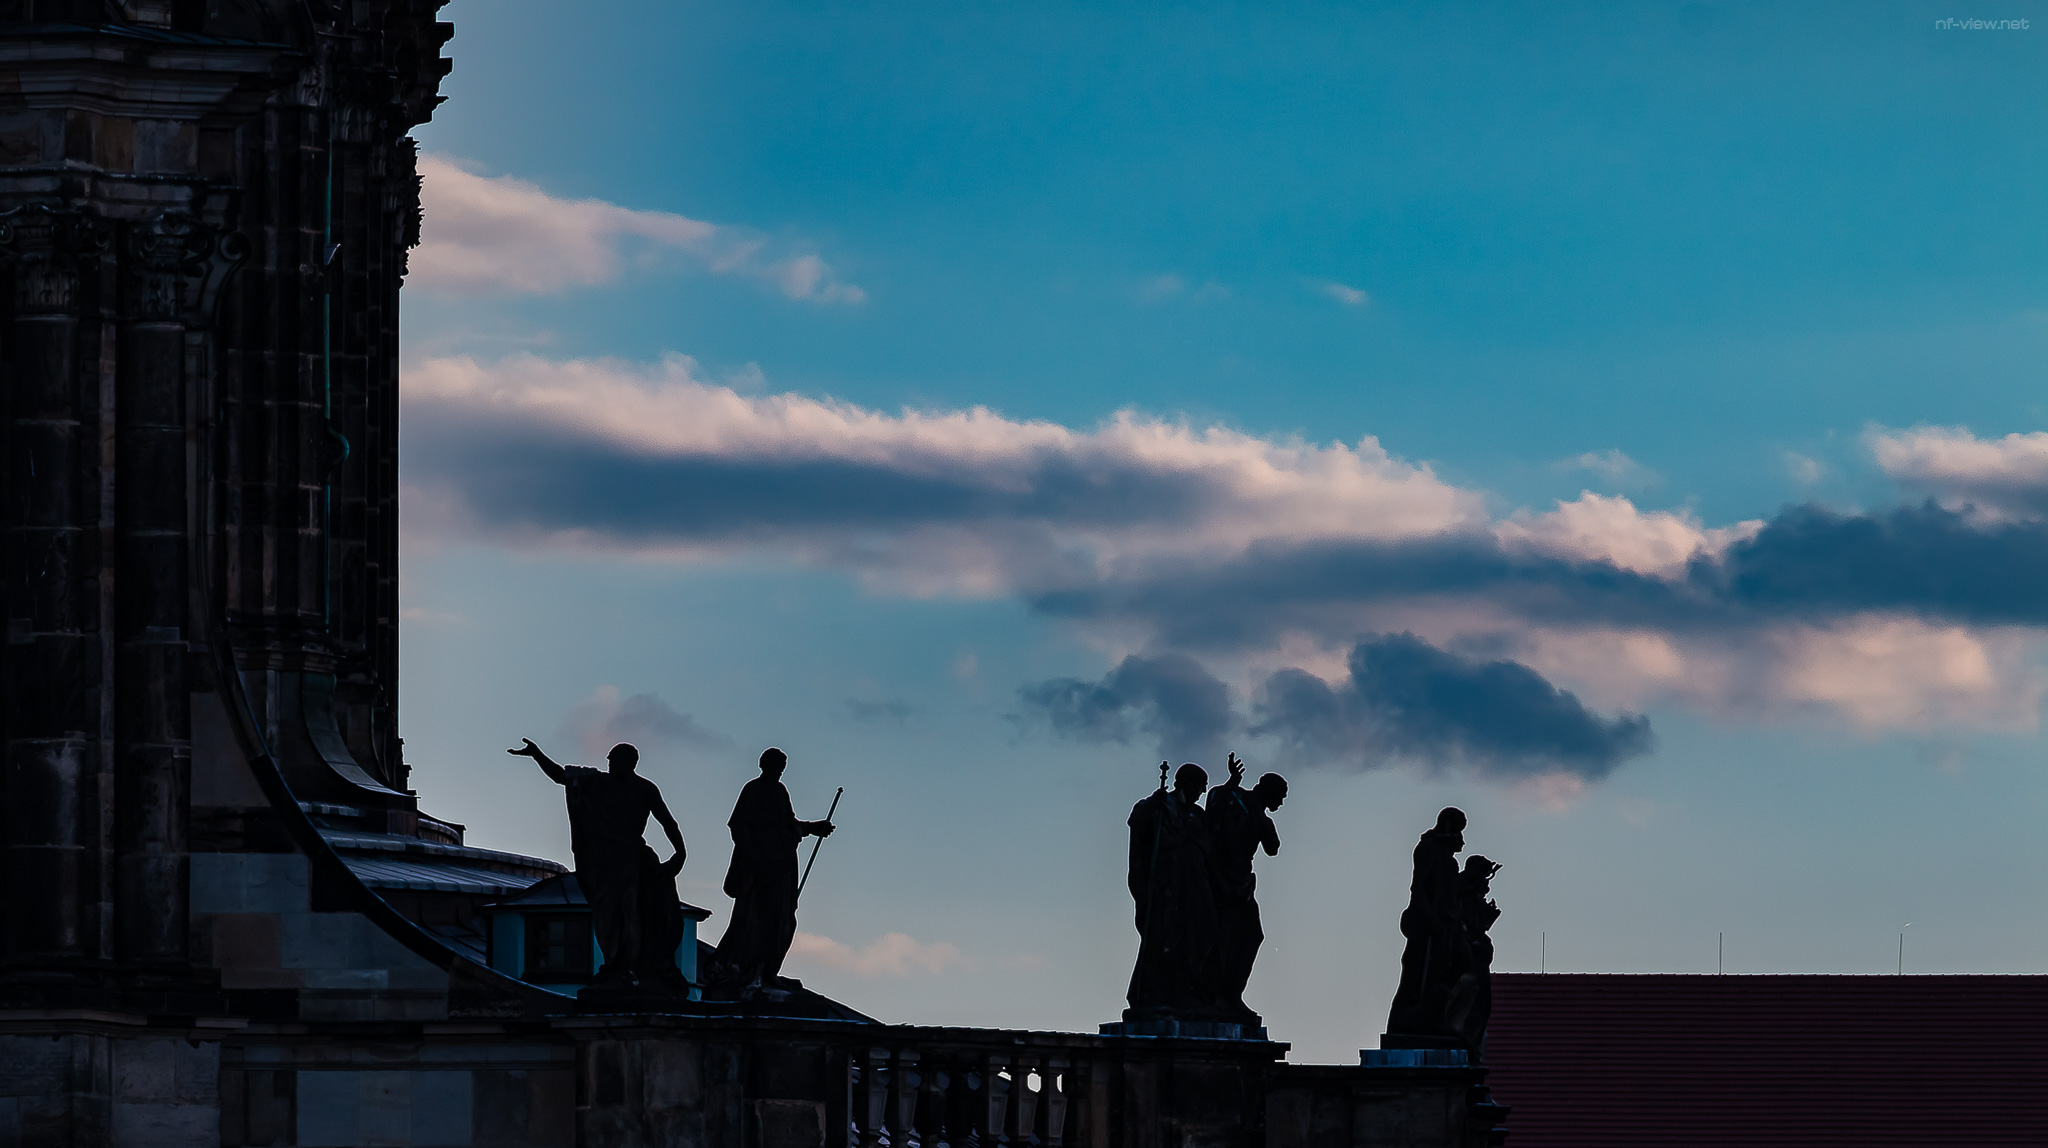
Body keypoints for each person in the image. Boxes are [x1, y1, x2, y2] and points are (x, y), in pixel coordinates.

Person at [508, 738, 688, 990]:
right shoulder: (595, 782)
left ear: (632, 763)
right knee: (605, 917)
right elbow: (561, 775)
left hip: (631, 860)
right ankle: (614, 964)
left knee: (633, 913)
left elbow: (668, 822)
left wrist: (680, 852)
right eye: (610, 761)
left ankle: (634, 967)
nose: (612, 765)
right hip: (601, 863)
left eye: (616, 761)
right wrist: (537, 755)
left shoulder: (645, 789)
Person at [709, 747, 834, 998]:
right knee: (755, 920)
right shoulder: (753, 789)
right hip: (759, 868)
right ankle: (746, 971)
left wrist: (813, 827)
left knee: (783, 921)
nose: (779, 772)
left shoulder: (780, 791)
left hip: (782, 864)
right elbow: (738, 825)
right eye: (776, 766)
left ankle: (767, 971)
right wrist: (755, 858)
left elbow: (789, 824)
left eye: (782, 767)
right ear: (763, 765)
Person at [1125, 762, 1224, 1019]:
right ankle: (1157, 994)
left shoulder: (1196, 815)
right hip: (1167, 887)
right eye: (1199, 787)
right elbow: (1139, 824)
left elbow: (1209, 845)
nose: (1201, 793)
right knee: (1164, 939)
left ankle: (1191, 993)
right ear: (1186, 783)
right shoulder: (1159, 806)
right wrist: (1151, 807)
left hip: (1194, 887)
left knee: (1203, 937)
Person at [1206, 753, 1287, 1023]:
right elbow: (1213, 805)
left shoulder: (1263, 821)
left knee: (1252, 936)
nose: (1281, 803)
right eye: (1280, 796)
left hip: (1241, 884)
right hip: (1218, 879)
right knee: (1219, 937)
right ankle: (1214, 994)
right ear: (1267, 790)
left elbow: (1273, 849)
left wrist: (1265, 826)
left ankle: (1231, 994)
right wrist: (1232, 782)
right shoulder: (1233, 797)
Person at [1386, 806, 1469, 1040]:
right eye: (1459, 830)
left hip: (1447, 924)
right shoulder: (1428, 848)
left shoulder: (1449, 861)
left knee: (1458, 963)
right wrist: (1432, 920)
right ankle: (1413, 1019)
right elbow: (1418, 888)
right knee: (1419, 975)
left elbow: (1452, 891)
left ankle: (1435, 1013)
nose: (1461, 838)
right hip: (1428, 924)